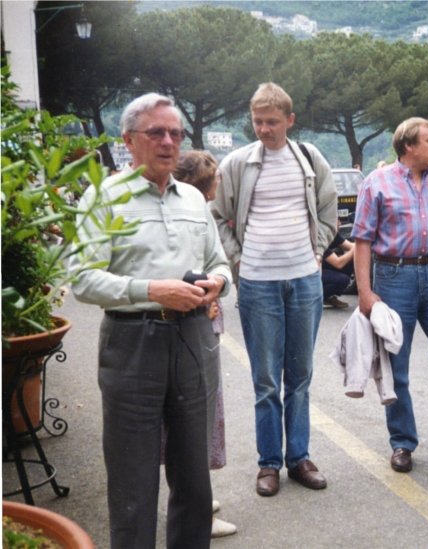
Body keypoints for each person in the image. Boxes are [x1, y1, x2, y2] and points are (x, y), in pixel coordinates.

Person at [70, 93, 232, 548]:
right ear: (128, 140)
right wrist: (152, 290)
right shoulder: (103, 197)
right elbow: (82, 280)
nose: (168, 142)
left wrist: (217, 283)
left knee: (194, 476)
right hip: (132, 341)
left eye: (175, 133)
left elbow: (220, 263)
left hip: (194, 337)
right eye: (156, 132)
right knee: (133, 480)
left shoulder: (194, 200)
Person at [211, 82, 337, 497]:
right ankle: (269, 463)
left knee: (299, 376)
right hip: (257, 284)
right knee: (266, 380)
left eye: (272, 122)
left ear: (290, 120)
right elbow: (218, 215)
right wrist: (237, 260)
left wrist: (317, 252)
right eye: (258, 122)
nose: (264, 129)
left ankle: (299, 458)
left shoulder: (310, 159)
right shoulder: (237, 163)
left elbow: (328, 212)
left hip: (304, 281)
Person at [352, 117, 428, 474]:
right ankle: (402, 441)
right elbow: (362, 241)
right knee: (396, 366)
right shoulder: (377, 182)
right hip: (393, 277)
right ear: (408, 146)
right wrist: (364, 292)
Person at [172, 150, 236, 539]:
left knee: (198, 424)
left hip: (199, 328)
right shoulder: (194, 216)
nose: (219, 185)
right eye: (215, 179)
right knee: (195, 426)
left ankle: (197, 498)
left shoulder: (198, 213)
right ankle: (196, 512)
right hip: (194, 332)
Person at [322, 223, 355, 309]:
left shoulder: (332, 233)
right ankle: (321, 297)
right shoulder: (319, 236)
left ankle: (329, 296)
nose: (340, 223)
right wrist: (358, 247)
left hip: (324, 266)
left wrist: (365, 244)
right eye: (337, 219)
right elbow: (338, 263)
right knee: (343, 279)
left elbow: (351, 246)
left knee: (351, 261)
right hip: (312, 273)